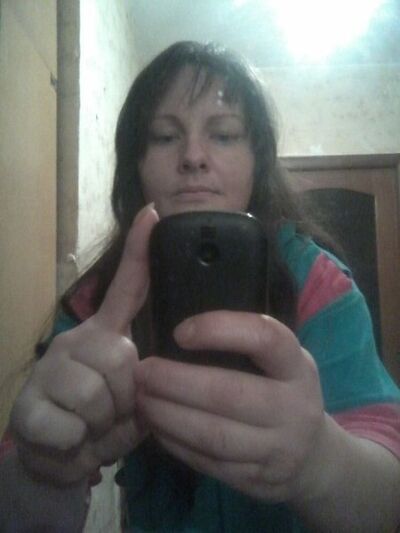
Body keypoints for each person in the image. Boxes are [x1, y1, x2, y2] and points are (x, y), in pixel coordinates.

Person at [1, 41, 399, 532]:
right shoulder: (98, 305)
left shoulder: (318, 283)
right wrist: (41, 472)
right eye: (165, 136)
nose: (193, 157)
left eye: (224, 135)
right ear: (135, 165)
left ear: (258, 162)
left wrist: (320, 462)